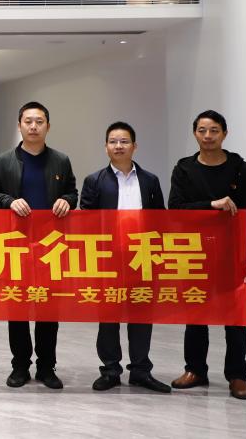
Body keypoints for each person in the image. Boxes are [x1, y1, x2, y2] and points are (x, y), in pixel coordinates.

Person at [0, 101, 77, 390]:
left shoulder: (61, 160)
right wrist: (9, 201)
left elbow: (72, 191)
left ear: (48, 126)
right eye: (28, 121)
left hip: (51, 247)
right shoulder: (3, 161)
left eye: (39, 122)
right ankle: (20, 366)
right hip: (16, 245)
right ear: (19, 125)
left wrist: (67, 201)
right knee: (18, 309)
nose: (33, 127)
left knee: (49, 310)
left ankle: (47, 367)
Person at [168, 110, 246, 400]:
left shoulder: (242, 170)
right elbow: (175, 209)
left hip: (233, 253)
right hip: (195, 251)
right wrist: (211, 205)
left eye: (214, 130)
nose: (208, 136)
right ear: (194, 133)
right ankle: (195, 369)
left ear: (225, 133)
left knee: (235, 317)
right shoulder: (184, 169)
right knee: (196, 312)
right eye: (202, 130)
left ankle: (237, 375)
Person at [80, 122, 170, 394]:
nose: (118, 146)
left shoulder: (150, 180)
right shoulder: (94, 181)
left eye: (124, 141)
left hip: (142, 257)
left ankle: (141, 371)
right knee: (108, 316)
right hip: (108, 258)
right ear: (106, 147)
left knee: (141, 315)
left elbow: (160, 219)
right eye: (113, 141)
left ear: (134, 146)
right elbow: (85, 222)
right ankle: (110, 371)